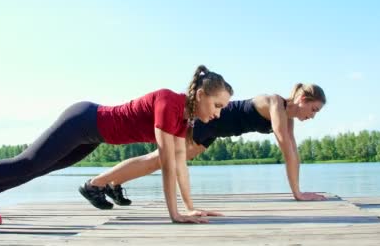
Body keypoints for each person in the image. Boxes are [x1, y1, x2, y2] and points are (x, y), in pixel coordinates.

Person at [0, 65, 233, 232]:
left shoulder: (184, 121)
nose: (218, 113)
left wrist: (189, 207)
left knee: (41, 168)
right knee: (28, 161)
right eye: (217, 105)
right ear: (200, 94)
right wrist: (175, 214)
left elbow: (180, 165)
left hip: (92, 137)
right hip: (83, 120)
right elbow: (167, 164)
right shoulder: (169, 102)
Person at [80, 83, 326, 215]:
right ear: (303, 100)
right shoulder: (275, 103)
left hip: (213, 132)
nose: (312, 116)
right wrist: (298, 194)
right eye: (313, 109)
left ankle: (109, 183)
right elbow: (286, 148)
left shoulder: (288, 117)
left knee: (158, 160)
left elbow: (293, 151)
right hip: (209, 120)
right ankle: (96, 184)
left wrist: (299, 192)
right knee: (159, 160)